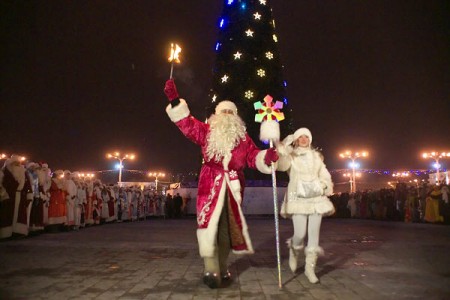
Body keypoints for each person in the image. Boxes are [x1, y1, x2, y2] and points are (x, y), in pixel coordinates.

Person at [164, 78, 278, 288]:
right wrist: (174, 99)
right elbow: (187, 124)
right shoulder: (206, 132)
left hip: (234, 188)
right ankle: (210, 269)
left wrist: (267, 156)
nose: (226, 116)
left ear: (235, 117)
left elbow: (253, 156)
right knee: (208, 227)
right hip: (210, 184)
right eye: (223, 112)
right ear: (216, 115)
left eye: (230, 113)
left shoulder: (243, 139)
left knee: (226, 230)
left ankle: (223, 266)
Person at [276, 127, 334, 284]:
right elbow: (280, 166)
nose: (303, 139)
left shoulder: (317, 156)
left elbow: (325, 174)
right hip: (297, 197)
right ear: (296, 139)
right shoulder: (291, 156)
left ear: (310, 139)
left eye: (306, 137)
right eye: (300, 137)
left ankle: (310, 269)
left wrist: (323, 185)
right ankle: (294, 250)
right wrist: (283, 147)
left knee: (314, 234)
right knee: (300, 233)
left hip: (316, 198)